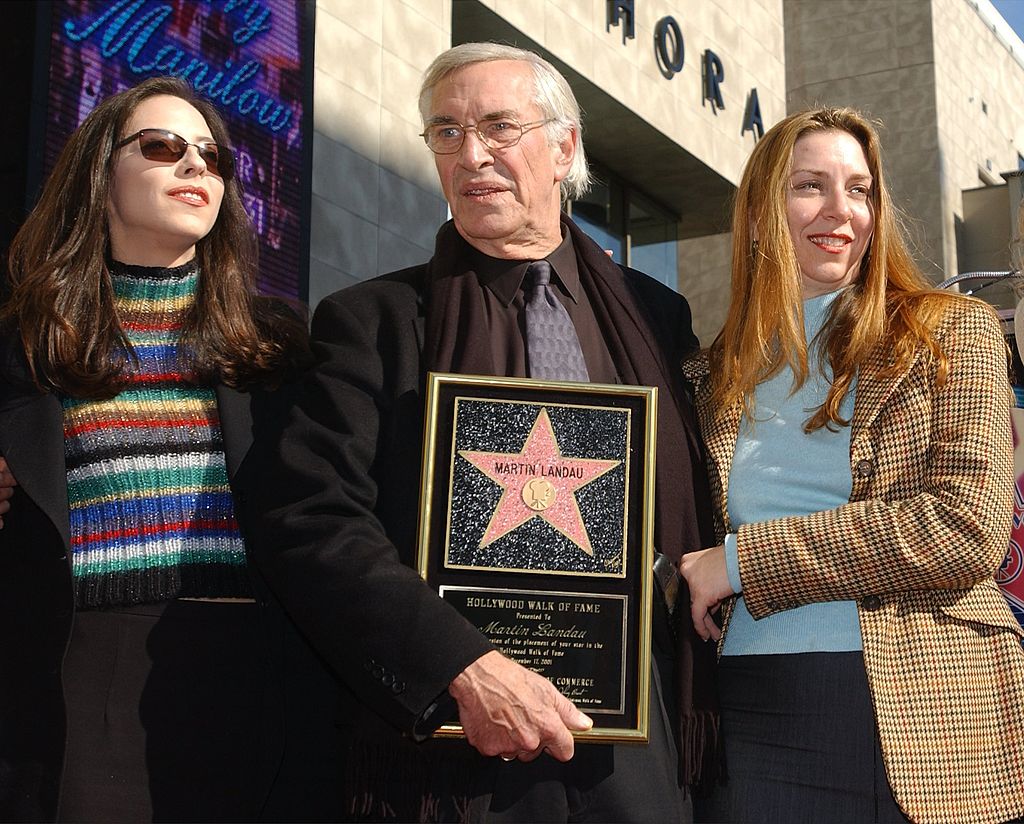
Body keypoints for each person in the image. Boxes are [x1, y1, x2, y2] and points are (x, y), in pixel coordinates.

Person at [250, 42, 718, 823]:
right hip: (448, 743)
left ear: (565, 145)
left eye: (500, 127)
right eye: (446, 133)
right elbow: (309, 518)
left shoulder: (656, 317)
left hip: (636, 737)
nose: (473, 155)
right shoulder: (371, 323)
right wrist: (461, 665)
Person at [679, 107, 1024, 823]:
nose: (842, 211)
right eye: (811, 186)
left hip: (928, 707)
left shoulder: (951, 332)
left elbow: (964, 529)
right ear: (758, 213)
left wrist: (740, 565)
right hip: (747, 712)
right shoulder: (707, 376)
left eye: (860, 190)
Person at [0, 76, 312, 822]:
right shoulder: (24, 341)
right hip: (78, 674)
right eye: (164, 147)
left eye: (211, 156)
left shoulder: (278, 344)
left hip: (252, 671)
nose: (195, 167)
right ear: (100, 171)